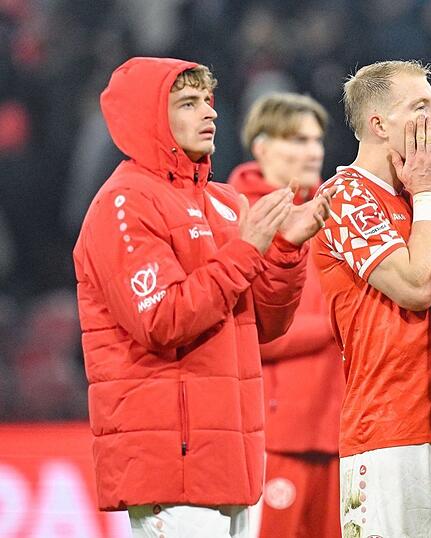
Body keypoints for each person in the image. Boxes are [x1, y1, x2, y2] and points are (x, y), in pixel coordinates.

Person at [73, 57, 329, 537]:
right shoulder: (123, 203)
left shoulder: (226, 201)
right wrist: (248, 249)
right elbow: (163, 318)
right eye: (188, 103)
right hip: (172, 463)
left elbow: (266, 327)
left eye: (207, 102)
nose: (210, 113)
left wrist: (287, 250)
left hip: (231, 460)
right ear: (148, 117)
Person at [311, 60, 431, 537]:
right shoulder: (344, 196)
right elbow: (414, 287)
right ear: (378, 124)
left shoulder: (423, 193)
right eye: (421, 106)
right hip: (389, 433)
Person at [228, 92, 343, 538]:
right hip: (273, 436)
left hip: (339, 432)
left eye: (316, 139)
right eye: (297, 139)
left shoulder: (334, 216)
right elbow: (248, 332)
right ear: (261, 146)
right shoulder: (236, 214)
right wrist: (338, 324)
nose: (312, 150)